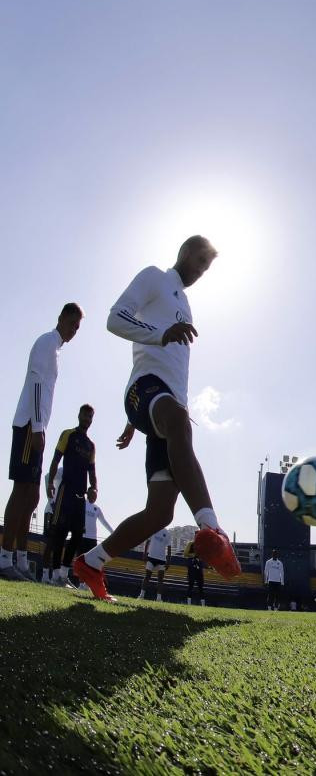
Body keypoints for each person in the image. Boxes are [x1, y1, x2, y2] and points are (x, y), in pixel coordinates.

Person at [74, 237, 239, 601]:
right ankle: (213, 531)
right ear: (183, 252)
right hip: (145, 391)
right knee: (179, 423)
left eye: (205, 267)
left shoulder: (187, 306)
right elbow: (114, 318)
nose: (199, 270)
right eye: (197, 260)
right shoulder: (154, 277)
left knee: (160, 513)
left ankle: (91, 562)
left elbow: (171, 369)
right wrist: (160, 334)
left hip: (163, 408)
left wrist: (141, 422)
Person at [2, 304, 83, 581]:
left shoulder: (56, 350)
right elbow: (36, 383)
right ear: (60, 318)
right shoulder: (46, 343)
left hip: (38, 428)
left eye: (77, 327)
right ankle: (4, 557)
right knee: (22, 490)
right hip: (28, 425)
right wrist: (37, 427)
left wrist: (42, 428)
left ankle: (22, 561)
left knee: (33, 496)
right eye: (71, 323)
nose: (73, 330)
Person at [44, 404, 99, 586]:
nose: (87, 419)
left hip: (79, 496)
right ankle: (53, 576)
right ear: (79, 415)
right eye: (85, 415)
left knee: (76, 536)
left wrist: (94, 488)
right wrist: (51, 482)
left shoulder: (91, 445)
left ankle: (63, 574)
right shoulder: (68, 434)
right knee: (59, 533)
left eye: (90, 417)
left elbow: (92, 471)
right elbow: (55, 459)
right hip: (65, 491)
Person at [138, 527, 171, 601]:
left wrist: (168, 561)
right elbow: (147, 541)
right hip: (151, 557)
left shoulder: (167, 533)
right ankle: (141, 595)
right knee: (147, 576)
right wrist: (145, 554)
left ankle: (159, 598)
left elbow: (169, 548)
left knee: (160, 579)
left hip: (162, 559)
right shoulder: (153, 529)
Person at [185, 542, 205, 606]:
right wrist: (194, 555)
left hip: (199, 567)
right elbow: (185, 553)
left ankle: (203, 604)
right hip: (192, 567)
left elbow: (204, 555)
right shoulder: (191, 543)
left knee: (200, 586)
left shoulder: (202, 545)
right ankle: (189, 603)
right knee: (191, 585)